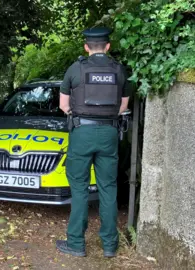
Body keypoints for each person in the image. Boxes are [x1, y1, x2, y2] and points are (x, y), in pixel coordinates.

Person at [56, 27, 132, 257]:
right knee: (108, 188)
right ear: (108, 47)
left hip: (82, 133)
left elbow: (63, 106)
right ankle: (110, 246)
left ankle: (76, 244)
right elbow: (123, 107)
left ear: (86, 47)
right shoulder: (120, 71)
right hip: (109, 133)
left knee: (79, 189)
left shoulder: (75, 69)